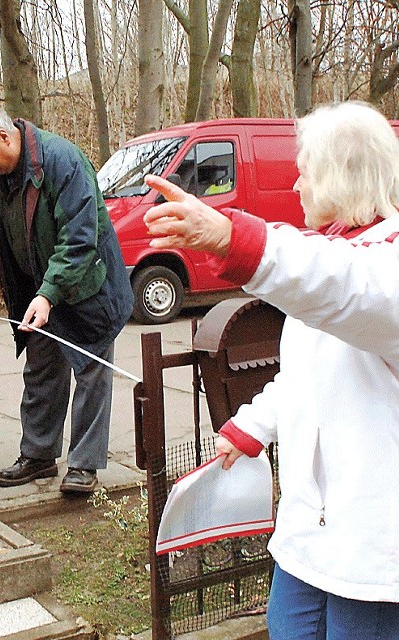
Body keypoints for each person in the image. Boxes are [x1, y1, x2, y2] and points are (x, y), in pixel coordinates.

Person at [143, 101, 399, 639]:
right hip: (308, 531)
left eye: (304, 171)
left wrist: (230, 237)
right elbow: (312, 373)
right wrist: (251, 426)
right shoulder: (336, 249)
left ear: (338, 175)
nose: (297, 186)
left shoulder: (383, 263)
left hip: (374, 545)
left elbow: (343, 287)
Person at [0, 106, 133, 494]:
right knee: (41, 370)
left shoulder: (63, 162)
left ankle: (84, 464)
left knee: (91, 371)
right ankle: (38, 456)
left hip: (89, 286)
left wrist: (49, 293)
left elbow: (79, 237)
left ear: (3, 138)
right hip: (36, 289)